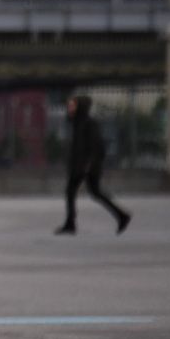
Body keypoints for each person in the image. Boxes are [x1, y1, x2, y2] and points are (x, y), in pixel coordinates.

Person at [58, 94, 130, 235]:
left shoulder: (89, 123)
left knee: (84, 193)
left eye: (72, 105)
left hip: (86, 167)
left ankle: (122, 216)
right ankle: (121, 216)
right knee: (80, 193)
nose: (69, 108)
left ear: (80, 107)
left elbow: (97, 147)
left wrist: (88, 165)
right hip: (79, 166)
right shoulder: (77, 123)